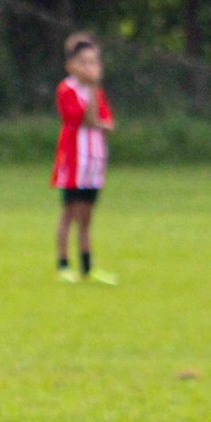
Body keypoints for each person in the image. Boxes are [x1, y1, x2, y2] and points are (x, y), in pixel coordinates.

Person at [53, 32, 116, 284]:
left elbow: (107, 123)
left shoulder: (94, 92)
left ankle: (87, 267)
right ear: (71, 65)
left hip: (94, 159)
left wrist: (96, 101)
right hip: (74, 160)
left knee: (87, 215)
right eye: (85, 62)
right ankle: (63, 264)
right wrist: (92, 89)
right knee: (70, 212)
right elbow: (88, 119)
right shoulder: (67, 89)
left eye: (94, 62)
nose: (91, 68)